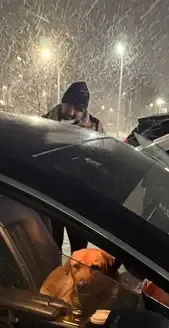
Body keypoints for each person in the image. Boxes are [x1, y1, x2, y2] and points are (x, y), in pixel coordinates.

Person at [43, 81, 105, 255]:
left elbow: (103, 160)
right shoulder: (44, 123)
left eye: (77, 108)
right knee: (51, 248)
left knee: (79, 252)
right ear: (63, 102)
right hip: (51, 197)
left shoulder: (94, 127)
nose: (71, 112)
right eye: (69, 105)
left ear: (84, 110)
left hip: (79, 201)